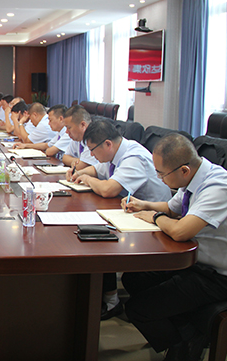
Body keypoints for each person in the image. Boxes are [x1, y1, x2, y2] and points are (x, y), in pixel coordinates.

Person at [121, 133, 227, 361]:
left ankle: (184, 344)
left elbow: (181, 231)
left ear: (183, 170)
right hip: (196, 263)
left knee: (138, 309)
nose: (159, 178)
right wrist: (143, 205)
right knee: (134, 279)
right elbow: (173, 208)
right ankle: (186, 329)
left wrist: (155, 217)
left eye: (161, 174)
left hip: (221, 277)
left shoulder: (220, 186)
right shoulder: (193, 177)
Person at [73, 119, 172, 320]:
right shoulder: (116, 153)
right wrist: (80, 173)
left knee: (99, 238)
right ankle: (98, 294)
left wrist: (88, 179)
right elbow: (98, 170)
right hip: (132, 214)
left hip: (154, 222)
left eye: (93, 150)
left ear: (108, 144)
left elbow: (109, 190)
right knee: (91, 230)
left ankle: (111, 302)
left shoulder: (134, 157)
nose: (91, 155)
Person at [63, 105, 98, 178]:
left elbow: (80, 167)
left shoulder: (94, 137)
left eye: (69, 127)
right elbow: (65, 158)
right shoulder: (77, 137)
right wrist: (76, 161)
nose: (66, 131)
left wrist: (79, 162)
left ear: (83, 125)